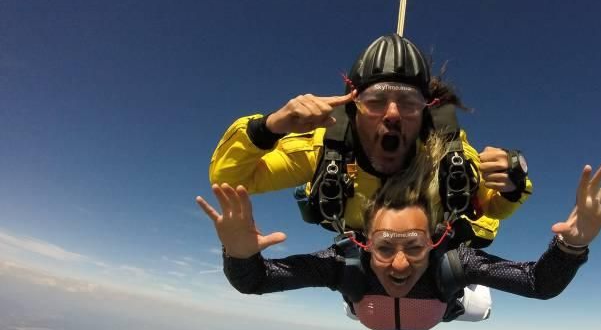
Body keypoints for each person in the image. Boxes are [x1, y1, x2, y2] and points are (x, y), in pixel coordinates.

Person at [197, 133, 601, 330]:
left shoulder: (354, 268)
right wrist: (572, 246)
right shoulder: (353, 264)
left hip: (392, 306)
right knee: (474, 303)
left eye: (414, 247)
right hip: (393, 307)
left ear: (435, 241)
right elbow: (540, 283)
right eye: (385, 247)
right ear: (365, 241)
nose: (400, 263)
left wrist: (574, 243)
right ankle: (438, 307)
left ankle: (450, 306)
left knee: (478, 307)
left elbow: (254, 281)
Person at [208, 33, 532, 247]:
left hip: (425, 249)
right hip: (366, 249)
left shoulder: (443, 155)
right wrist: (270, 127)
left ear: (424, 111)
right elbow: (229, 179)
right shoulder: (329, 152)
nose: (392, 114)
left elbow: (490, 207)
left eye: (408, 102)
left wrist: (511, 182)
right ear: (354, 107)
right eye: (376, 100)